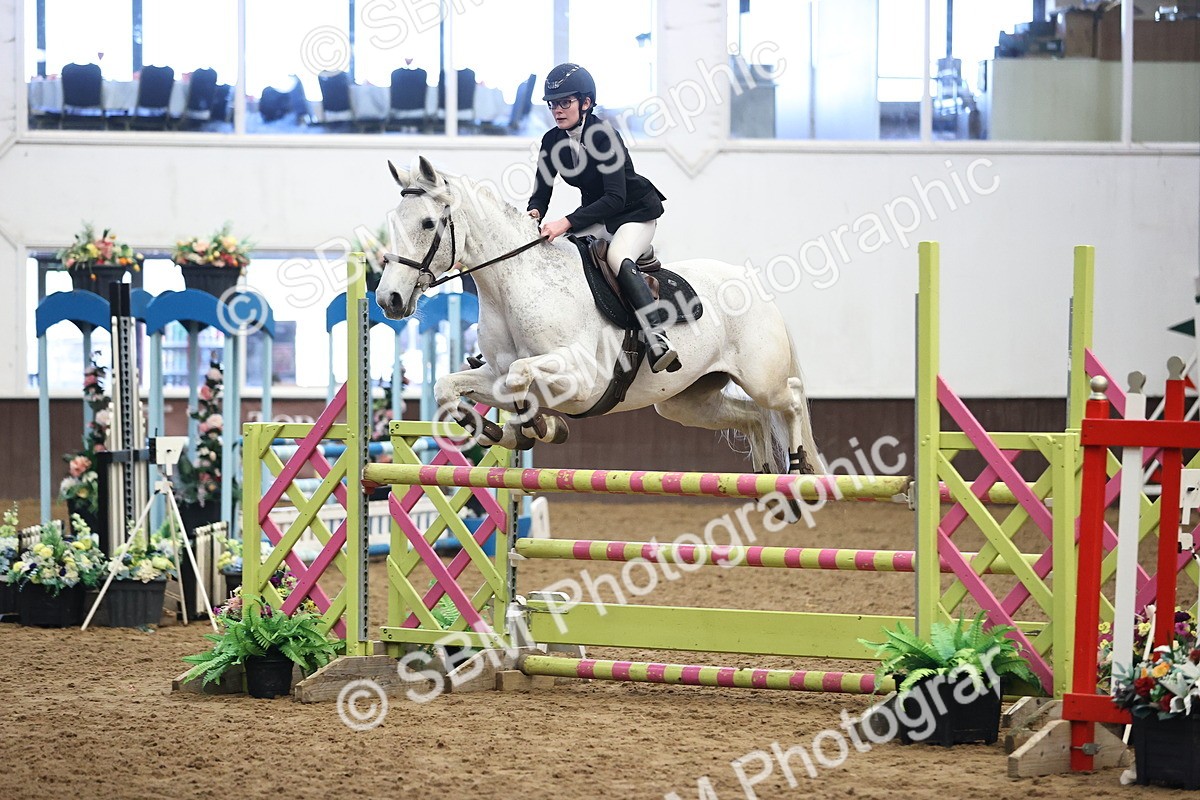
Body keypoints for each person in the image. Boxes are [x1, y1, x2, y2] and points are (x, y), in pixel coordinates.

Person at [527, 63, 679, 374]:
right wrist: (534, 214)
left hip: (633, 212)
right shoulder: (552, 141)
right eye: (553, 104)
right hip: (597, 215)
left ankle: (657, 336)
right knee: (563, 257)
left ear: (585, 103)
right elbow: (541, 191)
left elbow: (615, 198)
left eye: (565, 103)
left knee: (617, 255)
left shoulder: (604, 136)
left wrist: (565, 222)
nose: (557, 110)